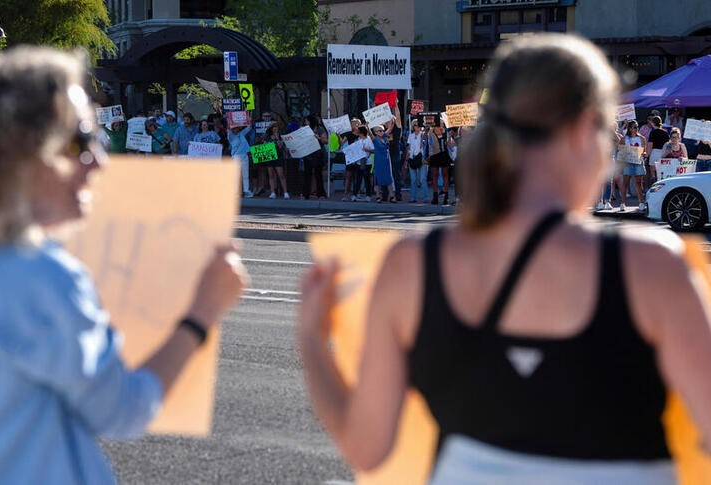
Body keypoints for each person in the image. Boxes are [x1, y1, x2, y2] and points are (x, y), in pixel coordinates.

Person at [298, 33, 711, 483]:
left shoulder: (411, 262)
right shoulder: (651, 265)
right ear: (582, 131)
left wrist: (313, 339)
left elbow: (367, 447)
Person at [0, 46, 249, 483]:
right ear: (22, 150)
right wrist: (203, 312)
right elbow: (123, 411)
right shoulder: (37, 274)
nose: (99, 160)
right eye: (80, 140)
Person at [619, 119, 647, 211]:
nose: (635, 129)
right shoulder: (624, 139)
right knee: (625, 183)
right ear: (629, 128)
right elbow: (621, 150)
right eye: (633, 127)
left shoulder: (642, 138)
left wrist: (644, 154)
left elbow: (644, 150)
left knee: (639, 183)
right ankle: (623, 203)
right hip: (628, 162)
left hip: (638, 162)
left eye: (636, 127)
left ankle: (641, 202)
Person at [366, 123, 396, 203]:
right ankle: (378, 196)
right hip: (379, 161)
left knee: (388, 178)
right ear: (375, 132)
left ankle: (392, 196)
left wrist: (393, 121)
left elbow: (390, 129)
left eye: (382, 130)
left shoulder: (385, 137)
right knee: (378, 178)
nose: (381, 132)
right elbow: (370, 134)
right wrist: (368, 127)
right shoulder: (375, 139)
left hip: (386, 160)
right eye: (379, 131)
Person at [405, 119, 429, 203]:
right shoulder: (410, 135)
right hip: (412, 158)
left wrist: (426, 129)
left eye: (418, 125)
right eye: (415, 125)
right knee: (413, 179)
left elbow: (425, 135)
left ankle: (425, 198)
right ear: (412, 126)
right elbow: (409, 148)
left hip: (421, 158)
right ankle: (413, 198)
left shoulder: (423, 134)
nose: (417, 126)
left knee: (422, 179)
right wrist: (406, 160)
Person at [264, 122, 290, 199]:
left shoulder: (281, 136)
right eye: (274, 127)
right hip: (270, 156)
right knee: (271, 175)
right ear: (271, 128)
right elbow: (265, 145)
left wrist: (281, 143)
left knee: (281, 175)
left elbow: (285, 146)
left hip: (279, 157)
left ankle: (285, 192)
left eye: (276, 127)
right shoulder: (267, 136)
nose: (275, 128)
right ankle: (273, 192)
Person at [340, 118, 362, 201]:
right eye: (356, 124)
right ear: (352, 125)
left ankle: (356, 193)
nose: (358, 125)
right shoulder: (349, 134)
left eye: (359, 123)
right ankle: (345, 194)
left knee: (358, 176)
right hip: (351, 157)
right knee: (348, 176)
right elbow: (341, 143)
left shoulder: (362, 134)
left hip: (360, 157)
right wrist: (338, 136)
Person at [646, 115, 669, 185]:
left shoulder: (652, 132)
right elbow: (668, 145)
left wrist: (647, 155)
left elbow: (650, 145)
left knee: (653, 173)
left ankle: (653, 187)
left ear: (653, 123)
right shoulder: (665, 133)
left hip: (654, 153)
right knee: (661, 173)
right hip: (663, 153)